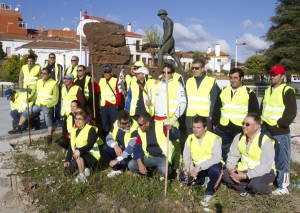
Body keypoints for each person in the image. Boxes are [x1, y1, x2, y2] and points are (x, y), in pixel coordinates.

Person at [260, 65, 297, 195]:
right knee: (269, 158)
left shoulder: (287, 90)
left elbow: (291, 112)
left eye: (275, 74)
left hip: (280, 132)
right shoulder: (267, 90)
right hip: (266, 131)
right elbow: (263, 109)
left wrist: (281, 124)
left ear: (282, 76)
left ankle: (283, 186)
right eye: (271, 74)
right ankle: (272, 179)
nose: (272, 76)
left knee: (283, 160)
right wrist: (261, 124)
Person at [212, 68, 259, 161]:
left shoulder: (249, 93)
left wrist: (251, 127)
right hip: (223, 128)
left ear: (242, 78)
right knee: (223, 153)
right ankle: (225, 172)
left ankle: (238, 172)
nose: (232, 80)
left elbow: (254, 113)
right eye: (231, 78)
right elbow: (217, 108)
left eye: (235, 78)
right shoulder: (222, 91)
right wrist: (215, 123)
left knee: (240, 153)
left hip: (240, 129)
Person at [222, 113, 276, 196]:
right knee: (224, 174)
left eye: (247, 124)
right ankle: (249, 189)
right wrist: (231, 170)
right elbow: (232, 156)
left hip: (265, 172)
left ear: (256, 126)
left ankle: (268, 192)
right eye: (243, 123)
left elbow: (265, 166)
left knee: (256, 184)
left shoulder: (265, 141)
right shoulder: (239, 137)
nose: (243, 126)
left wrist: (245, 176)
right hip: (245, 170)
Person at [179, 116, 222, 207]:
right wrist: (190, 170)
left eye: (198, 127)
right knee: (183, 177)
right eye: (194, 127)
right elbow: (186, 157)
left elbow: (217, 157)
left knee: (216, 170)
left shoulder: (214, 138)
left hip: (210, 166)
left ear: (205, 128)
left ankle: (209, 193)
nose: (195, 130)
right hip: (196, 169)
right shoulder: (190, 138)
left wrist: (199, 167)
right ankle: (203, 181)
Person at [9, 68, 59, 144]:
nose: (42, 75)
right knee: (26, 112)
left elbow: (55, 98)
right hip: (38, 104)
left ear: (49, 74)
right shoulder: (38, 82)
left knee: (48, 120)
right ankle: (19, 127)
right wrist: (30, 98)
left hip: (47, 105)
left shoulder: (54, 83)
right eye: (42, 73)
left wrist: (49, 105)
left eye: (45, 73)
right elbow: (34, 92)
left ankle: (49, 136)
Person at [128, 112, 180, 178]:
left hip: (162, 157)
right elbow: (137, 148)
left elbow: (177, 136)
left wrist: (172, 129)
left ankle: (170, 174)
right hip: (148, 157)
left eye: (140, 124)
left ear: (147, 123)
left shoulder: (161, 126)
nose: (138, 126)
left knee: (164, 170)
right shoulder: (139, 131)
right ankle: (149, 171)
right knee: (131, 165)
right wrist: (140, 163)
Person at [64, 111, 102, 183]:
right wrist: (67, 160)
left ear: (85, 120)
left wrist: (79, 150)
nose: (77, 121)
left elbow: (90, 145)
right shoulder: (74, 131)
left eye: (80, 119)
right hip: (79, 156)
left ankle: (82, 175)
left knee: (79, 153)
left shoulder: (91, 129)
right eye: (76, 118)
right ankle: (86, 169)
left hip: (92, 156)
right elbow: (71, 146)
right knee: (67, 173)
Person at [185, 58, 220, 134]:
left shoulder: (211, 81)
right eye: (192, 68)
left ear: (203, 69)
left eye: (197, 68)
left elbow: (214, 100)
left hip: (205, 116)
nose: (194, 70)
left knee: (206, 141)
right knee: (191, 140)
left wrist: (211, 116)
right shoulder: (189, 81)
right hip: (190, 116)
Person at [148, 63, 186, 128]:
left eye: (167, 72)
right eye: (163, 72)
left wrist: (175, 118)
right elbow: (148, 96)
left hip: (169, 119)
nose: (164, 74)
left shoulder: (178, 86)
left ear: (172, 74)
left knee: (170, 138)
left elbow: (182, 103)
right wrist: (147, 100)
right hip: (156, 119)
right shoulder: (156, 84)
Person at [103, 110, 139, 177]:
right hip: (119, 149)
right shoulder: (116, 123)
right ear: (119, 121)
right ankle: (116, 169)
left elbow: (131, 148)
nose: (127, 124)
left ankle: (127, 168)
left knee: (123, 162)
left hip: (130, 153)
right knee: (106, 148)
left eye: (128, 122)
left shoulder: (135, 127)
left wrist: (117, 160)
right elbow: (108, 137)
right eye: (124, 123)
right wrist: (115, 146)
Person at [98, 66, 122, 137]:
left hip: (112, 106)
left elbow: (119, 93)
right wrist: (94, 84)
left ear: (111, 73)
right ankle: (105, 140)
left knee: (113, 123)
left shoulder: (115, 80)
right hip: (103, 106)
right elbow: (97, 90)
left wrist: (117, 104)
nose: (106, 74)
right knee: (104, 124)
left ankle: (114, 138)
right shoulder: (101, 80)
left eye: (108, 72)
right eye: (105, 72)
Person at [44, 53, 64, 124]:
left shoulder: (59, 66)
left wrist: (55, 86)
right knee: (50, 104)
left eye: (53, 58)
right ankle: (51, 119)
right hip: (48, 90)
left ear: (55, 59)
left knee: (57, 104)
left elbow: (60, 78)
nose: (52, 59)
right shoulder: (46, 67)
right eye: (51, 57)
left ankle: (58, 118)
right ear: (48, 58)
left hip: (57, 88)